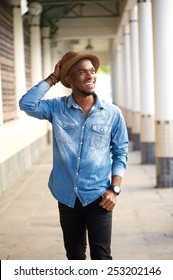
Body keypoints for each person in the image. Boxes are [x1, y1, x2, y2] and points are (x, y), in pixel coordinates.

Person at [19, 50, 128, 260]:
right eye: (82, 72)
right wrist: (52, 79)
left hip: (99, 197)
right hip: (67, 197)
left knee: (102, 258)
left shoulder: (112, 113)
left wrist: (114, 189)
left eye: (92, 71)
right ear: (68, 78)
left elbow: (121, 152)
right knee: (75, 257)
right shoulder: (56, 108)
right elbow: (27, 104)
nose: (90, 76)